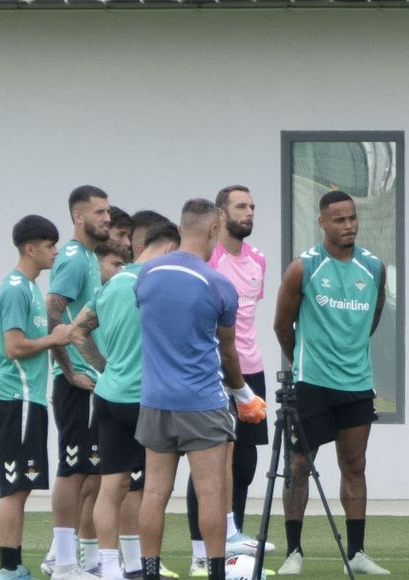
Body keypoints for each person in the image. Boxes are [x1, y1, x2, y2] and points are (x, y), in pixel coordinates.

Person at [133, 199, 266, 580]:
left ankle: (150, 571)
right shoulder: (218, 284)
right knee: (211, 492)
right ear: (212, 230)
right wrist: (244, 396)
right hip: (202, 402)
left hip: (155, 401)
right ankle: (216, 573)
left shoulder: (146, 275)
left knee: (155, 491)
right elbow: (228, 352)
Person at [271, 190, 389, 575]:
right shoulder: (303, 268)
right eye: (340, 220)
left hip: (356, 384)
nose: (349, 226)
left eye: (353, 218)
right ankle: (294, 552)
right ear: (321, 222)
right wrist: (305, 362)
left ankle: (356, 553)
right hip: (313, 384)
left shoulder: (373, 268)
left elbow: (372, 320)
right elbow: (281, 326)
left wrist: (348, 349)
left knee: (355, 466)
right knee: (299, 465)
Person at [72, 225, 183, 580]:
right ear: (168, 249)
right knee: (150, 488)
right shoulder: (160, 284)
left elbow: (77, 331)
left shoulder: (113, 283)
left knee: (111, 486)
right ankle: (145, 564)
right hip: (146, 400)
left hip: (109, 396)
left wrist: (106, 369)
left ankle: (110, 567)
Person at [186, 186, 272, 571]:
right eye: (241, 206)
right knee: (209, 463)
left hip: (251, 369)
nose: (249, 212)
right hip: (216, 371)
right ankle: (200, 553)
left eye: (252, 206)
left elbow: (249, 319)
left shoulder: (258, 260)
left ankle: (233, 543)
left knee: (245, 463)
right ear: (220, 215)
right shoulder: (210, 259)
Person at [0, 215, 75, 580]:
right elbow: (13, 347)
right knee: (14, 488)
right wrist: (55, 340)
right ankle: (8, 569)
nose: (55, 252)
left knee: (22, 487)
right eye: (49, 245)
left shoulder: (30, 289)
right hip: (15, 400)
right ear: (30, 248)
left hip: (30, 400)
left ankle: (15, 565)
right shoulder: (14, 288)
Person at [45, 185, 113, 579]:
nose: (106, 218)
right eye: (99, 212)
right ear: (78, 216)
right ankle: (64, 563)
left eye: (107, 212)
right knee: (71, 469)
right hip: (76, 382)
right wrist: (69, 370)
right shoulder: (72, 258)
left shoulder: (88, 257)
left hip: (91, 378)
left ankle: (69, 558)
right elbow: (52, 310)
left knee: (88, 470)